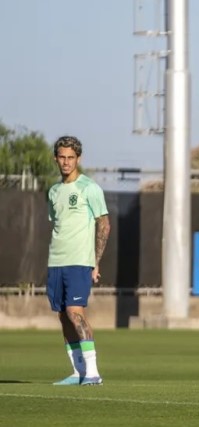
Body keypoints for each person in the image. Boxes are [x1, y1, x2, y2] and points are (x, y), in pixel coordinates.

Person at [47, 136, 111, 386]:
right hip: (56, 261)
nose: (66, 162)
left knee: (75, 313)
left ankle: (93, 372)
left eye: (71, 158)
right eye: (62, 157)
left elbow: (104, 224)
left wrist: (96, 261)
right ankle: (78, 371)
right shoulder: (53, 191)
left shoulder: (89, 188)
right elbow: (57, 225)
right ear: (56, 158)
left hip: (79, 261)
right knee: (63, 316)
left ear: (78, 159)